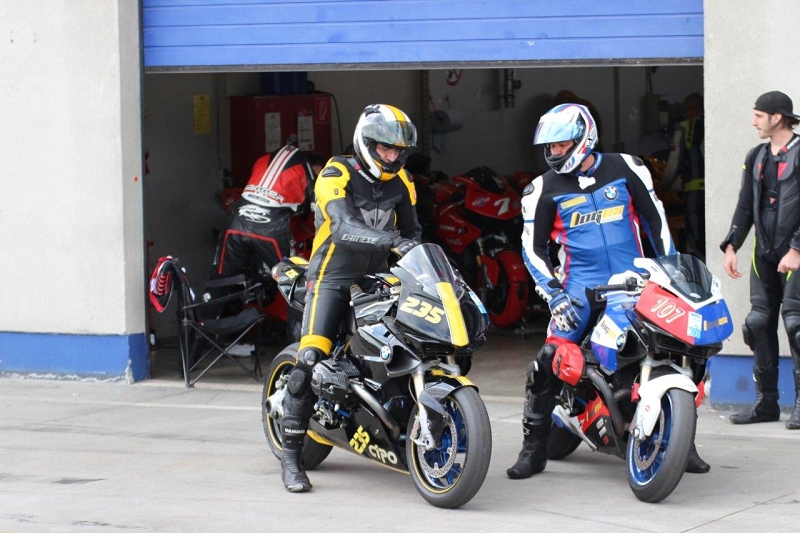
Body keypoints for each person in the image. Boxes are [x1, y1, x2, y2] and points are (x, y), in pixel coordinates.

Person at [508, 103, 710, 480]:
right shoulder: (541, 190)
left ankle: (685, 443)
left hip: (634, 284)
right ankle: (532, 450)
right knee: (547, 359)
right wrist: (554, 294)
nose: (554, 153)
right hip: (579, 291)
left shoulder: (626, 167)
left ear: (584, 139)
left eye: (561, 144)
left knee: (680, 348)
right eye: (549, 147)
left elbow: (656, 222)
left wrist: (671, 273)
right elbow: (532, 250)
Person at [279, 104, 422, 492]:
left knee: (407, 342)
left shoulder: (403, 181)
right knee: (311, 358)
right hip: (332, 277)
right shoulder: (335, 172)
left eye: (398, 150)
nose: (391, 157)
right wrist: (393, 242)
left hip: (378, 279)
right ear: (366, 143)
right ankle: (291, 458)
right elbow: (342, 228)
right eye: (384, 149)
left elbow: (413, 233)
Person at [721, 90, 800, 430]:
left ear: (777, 117)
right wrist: (731, 245)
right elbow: (745, 204)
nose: (753, 122)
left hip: (796, 256)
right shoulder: (756, 156)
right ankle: (765, 404)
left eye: (758, 115)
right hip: (763, 256)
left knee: (796, 326)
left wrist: (797, 249)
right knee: (757, 323)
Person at [213, 146, 325, 278]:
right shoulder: (308, 176)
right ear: (315, 169)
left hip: (236, 221)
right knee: (294, 281)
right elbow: (318, 215)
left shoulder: (262, 161)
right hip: (270, 229)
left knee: (219, 281)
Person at [661, 93, 706, 262]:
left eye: (687, 110)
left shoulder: (685, 127)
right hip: (716, 194)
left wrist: (663, 187)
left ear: (693, 110)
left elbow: (674, 163)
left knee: (696, 241)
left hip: (694, 196)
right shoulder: (716, 124)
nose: (686, 114)